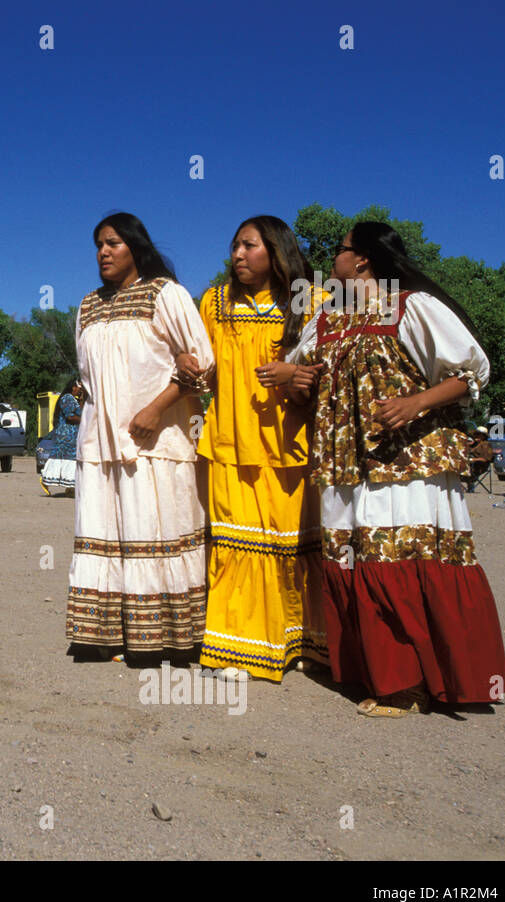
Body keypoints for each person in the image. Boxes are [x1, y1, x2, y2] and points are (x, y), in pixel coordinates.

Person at [289, 221, 505, 716]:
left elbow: (470, 372)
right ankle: (375, 671)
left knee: (397, 559)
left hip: (408, 461)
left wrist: (415, 403)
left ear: (363, 259)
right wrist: (296, 379)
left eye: (340, 252)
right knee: (352, 563)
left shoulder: (411, 307)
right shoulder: (324, 319)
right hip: (342, 463)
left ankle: (410, 683)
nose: (333, 263)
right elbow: (302, 384)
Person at [174, 215, 326, 682]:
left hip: (291, 445)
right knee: (237, 544)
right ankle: (240, 648)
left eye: (248, 245)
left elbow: (333, 370)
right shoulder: (215, 302)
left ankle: (301, 642)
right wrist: (188, 363)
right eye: (235, 246)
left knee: (294, 547)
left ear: (276, 251)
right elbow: (204, 365)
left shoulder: (314, 301)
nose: (237, 255)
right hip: (230, 443)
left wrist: (297, 375)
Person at [64, 212, 214, 663]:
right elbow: (89, 377)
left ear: (135, 247)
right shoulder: (88, 305)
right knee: (105, 532)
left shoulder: (165, 294)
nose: (103, 252)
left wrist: (156, 407)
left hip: (156, 446)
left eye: (112, 243)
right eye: (98, 244)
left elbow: (201, 363)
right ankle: (107, 636)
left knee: (154, 529)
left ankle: (167, 639)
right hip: (99, 445)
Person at [40, 380, 83, 495]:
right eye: (79, 387)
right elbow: (70, 416)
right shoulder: (67, 398)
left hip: (72, 435)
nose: (80, 390)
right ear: (73, 387)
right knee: (67, 459)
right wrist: (85, 419)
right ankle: (46, 479)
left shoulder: (74, 400)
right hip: (66, 435)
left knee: (71, 460)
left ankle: (71, 488)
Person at [467, 427, 495, 492]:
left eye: (478, 434)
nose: (476, 436)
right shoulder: (474, 444)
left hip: (479, 466)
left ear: (483, 436)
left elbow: (485, 459)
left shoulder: (486, 445)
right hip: (470, 464)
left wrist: (472, 459)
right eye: (475, 434)